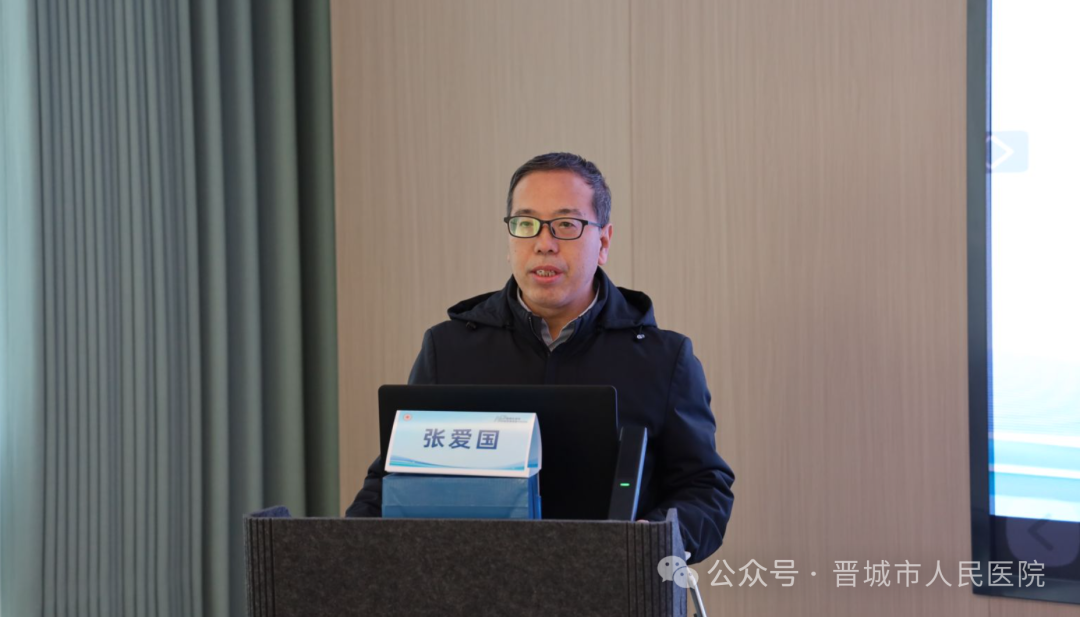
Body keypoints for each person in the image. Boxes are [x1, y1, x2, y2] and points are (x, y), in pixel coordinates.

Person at [346, 152, 734, 563]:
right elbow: (393, 480)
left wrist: (648, 541)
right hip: (469, 583)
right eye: (526, 223)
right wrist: (342, 554)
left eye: (566, 225)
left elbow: (704, 489)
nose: (543, 243)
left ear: (603, 242)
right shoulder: (449, 348)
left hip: (612, 582)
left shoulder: (663, 359)